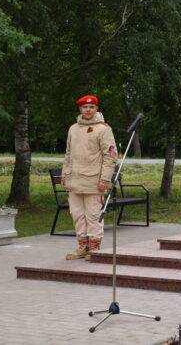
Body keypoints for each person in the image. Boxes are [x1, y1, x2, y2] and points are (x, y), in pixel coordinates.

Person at [60, 95, 117, 260]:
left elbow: (110, 156)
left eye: (91, 107)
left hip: (94, 181)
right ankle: (82, 247)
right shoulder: (73, 129)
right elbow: (68, 154)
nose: (88, 110)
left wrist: (105, 180)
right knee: (77, 215)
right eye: (85, 107)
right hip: (74, 180)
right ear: (80, 109)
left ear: (96, 109)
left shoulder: (103, 129)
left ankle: (94, 249)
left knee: (93, 215)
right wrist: (65, 175)